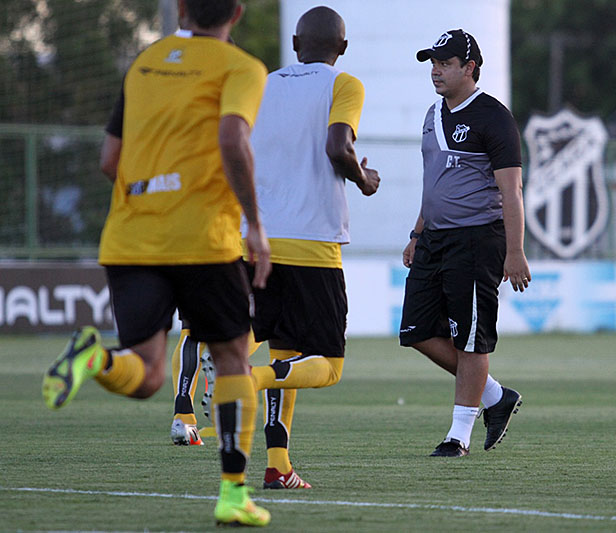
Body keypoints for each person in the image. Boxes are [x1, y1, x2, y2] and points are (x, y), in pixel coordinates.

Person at [41, 0, 272, 526]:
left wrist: (148, 200)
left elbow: (108, 160)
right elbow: (234, 137)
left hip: (130, 238)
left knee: (145, 375)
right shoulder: (242, 67)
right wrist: (254, 223)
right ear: (236, 13)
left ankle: (94, 357)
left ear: (184, 8)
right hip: (203, 240)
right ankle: (234, 494)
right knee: (235, 356)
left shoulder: (144, 62)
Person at [168, 5, 380, 488]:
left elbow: (230, 144)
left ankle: (278, 465)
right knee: (326, 367)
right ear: (341, 49)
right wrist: (364, 179)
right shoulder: (344, 84)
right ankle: (250, 377)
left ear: (295, 45)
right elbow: (337, 147)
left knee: (284, 351)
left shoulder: (260, 82)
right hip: (312, 245)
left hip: (255, 240)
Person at [399, 29, 531, 457]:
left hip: (477, 239)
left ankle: (458, 436)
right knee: (415, 330)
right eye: (432, 63)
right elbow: (434, 184)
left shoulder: (492, 116)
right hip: (434, 238)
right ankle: (494, 396)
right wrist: (418, 233)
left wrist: (515, 251)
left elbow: (511, 191)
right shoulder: (432, 114)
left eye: (444, 63)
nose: (435, 71)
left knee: (472, 339)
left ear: (469, 68)